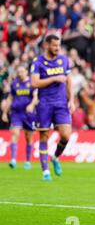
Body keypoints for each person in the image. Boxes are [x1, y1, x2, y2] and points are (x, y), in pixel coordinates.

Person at [31, 34, 74, 181]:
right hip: (45, 104)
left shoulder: (64, 60)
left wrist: (72, 100)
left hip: (61, 103)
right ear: (46, 45)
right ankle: (45, 172)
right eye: (54, 45)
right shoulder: (38, 62)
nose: (57, 48)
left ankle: (55, 157)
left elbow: (69, 81)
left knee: (66, 135)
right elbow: (35, 83)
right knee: (44, 136)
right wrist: (54, 78)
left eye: (59, 45)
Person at [1, 65, 38, 170]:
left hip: (29, 114)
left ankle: (27, 160)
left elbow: (36, 97)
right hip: (16, 113)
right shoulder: (14, 83)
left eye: (22, 71)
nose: (20, 73)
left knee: (28, 137)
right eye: (18, 72)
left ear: (26, 72)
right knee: (15, 133)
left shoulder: (32, 83)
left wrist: (31, 105)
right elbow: (10, 98)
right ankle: (13, 160)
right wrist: (5, 112)